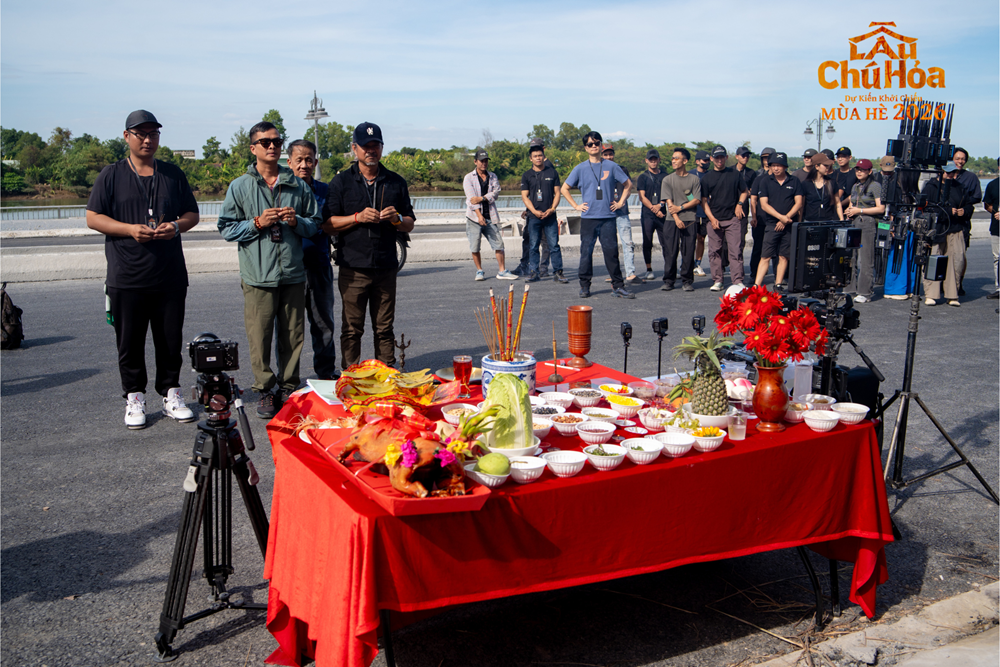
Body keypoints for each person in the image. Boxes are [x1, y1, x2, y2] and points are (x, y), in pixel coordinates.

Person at [86, 109, 199, 430]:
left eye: (153, 134)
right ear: (127, 137)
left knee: (169, 340)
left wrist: (175, 227)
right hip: (127, 276)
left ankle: (171, 394)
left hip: (169, 275)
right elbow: (93, 217)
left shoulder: (172, 174)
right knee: (130, 342)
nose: (148, 139)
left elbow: (192, 213)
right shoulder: (111, 175)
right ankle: (134, 396)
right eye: (141, 134)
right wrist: (128, 229)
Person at [218, 121, 320, 418]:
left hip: (291, 271)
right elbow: (225, 228)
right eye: (265, 142)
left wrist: (295, 222)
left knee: (292, 334)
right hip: (258, 275)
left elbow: (315, 225)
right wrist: (256, 224)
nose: (272, 146)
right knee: (259, 336)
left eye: (276, 141)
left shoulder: (298, 185)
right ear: (254, 148)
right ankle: (264, 389)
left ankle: (288, 386)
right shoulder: (240, 186)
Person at [322, 122, 416, 369]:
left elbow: (409, 224)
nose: (370, 151)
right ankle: (351, 377)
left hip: (386, 266)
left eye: (375, 145)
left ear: (382, 148)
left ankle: (386, 376)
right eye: (365, 146)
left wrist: (396, 219)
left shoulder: (396, 182)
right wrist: (357, 217)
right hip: (353, 267)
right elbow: (327, 224)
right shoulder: (341, 182)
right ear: (355, 149)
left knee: (384, 328)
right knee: (352, 329)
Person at [287, 139, 338, 380]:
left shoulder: (326, 191)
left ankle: (326, 374)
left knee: (323, 324)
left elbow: (330, 224)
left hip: (319, 264)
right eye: (299, 160)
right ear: (289, 163)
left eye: (309, 159)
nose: (304, 164)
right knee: (289, 328)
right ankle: (288, 380)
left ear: (316, 162)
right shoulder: (281, 191)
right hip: (290, 267)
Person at [561, 131, 634, 299]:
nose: (594, 146)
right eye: (590, 144)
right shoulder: (580, 168)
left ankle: (618, 286)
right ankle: (584, 286)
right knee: (586, 253)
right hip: (588, 218)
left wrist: (621, 202)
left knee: (612, 253)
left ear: (601, 145)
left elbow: (628, 184)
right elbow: (564, 188)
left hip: (608, 217)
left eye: (596, 143)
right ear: (585, 148)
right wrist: (575, 205)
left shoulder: (611, 166)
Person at [700, 145, 748, 291]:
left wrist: (739, 204)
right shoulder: (707, 178)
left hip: (732, 218)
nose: (719, 160)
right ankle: (718, 280)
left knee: (735, 251)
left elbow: (745, 192)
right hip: (714, 219)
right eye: (717, 157)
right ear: (712, 159)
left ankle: (737, 280)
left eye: (722, 157)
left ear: (726, 157)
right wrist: (711, 218)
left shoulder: (735, 174)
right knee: (714, 251)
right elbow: (703, 201)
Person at [463, 150, 516, 281]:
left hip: (491, 216)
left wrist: (481, 198)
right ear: (475, 162)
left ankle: (502, 271)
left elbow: (496, 192)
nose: (484, 163)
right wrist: (479, 215)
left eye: (486, 161)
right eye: (481, 161)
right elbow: (471, 200)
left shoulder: (492, 176)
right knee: (475, 246)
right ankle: (479, 270)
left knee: (499, 244)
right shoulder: (468, 178)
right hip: (474, 218)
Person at [520, 139, 568, 283]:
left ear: (543, 156)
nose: (538, 158)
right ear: (531, 158)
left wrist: (552, 209)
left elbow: (558, 193)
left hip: (550, 216)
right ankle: (534, 272)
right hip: (534, 217)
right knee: (533, 246)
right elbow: (524, 196)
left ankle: (558, 272)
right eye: (535, 156)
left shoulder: (552, 172)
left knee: (554, 245)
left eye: (540, 155)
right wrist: (533, 211)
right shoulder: (527, 175)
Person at [921, 162, 968, 307]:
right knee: (934, 260)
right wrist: (948, 212)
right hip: (937, 228)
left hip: (955, 228)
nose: (950, 175)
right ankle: (931, 294)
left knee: (956, 261)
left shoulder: (959, 187)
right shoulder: (931, 186)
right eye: (947, 172)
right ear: (941, 171)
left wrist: (964, 211)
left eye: (953, 172)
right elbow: (927, 208)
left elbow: (968, 204)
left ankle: (952, 294)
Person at [753, 152, 803, 289]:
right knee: (765, 256)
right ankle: (757, 285)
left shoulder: (794, 181)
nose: (776, 168)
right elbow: (763, 204)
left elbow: (798, 203)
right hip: (771, 224)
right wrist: (780, 218)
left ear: (785, 166)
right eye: (773, 165)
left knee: (783, 256)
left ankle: (778, 283)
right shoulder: (765, 181)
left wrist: (786, 219)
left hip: (788, 225)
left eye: (779, 165)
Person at [660, 147, 702, 292]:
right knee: (671, 252)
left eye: (676, 158)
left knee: (688, 251)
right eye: (672, 158)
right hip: (672, 220)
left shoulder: (694, 179)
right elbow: (669, 203)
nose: (673, 161)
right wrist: (677, 217)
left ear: (685, 161)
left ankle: (687, 280)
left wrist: (681, 208)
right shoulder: (667, 180)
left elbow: (696, 200)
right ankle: (669, 280)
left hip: (690, 219)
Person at [844, 159, 885, 303]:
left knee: (866, 258)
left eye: (862, 169)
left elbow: (881, 208)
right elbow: (851, 204)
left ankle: (865, 292)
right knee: (852, 256)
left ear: (869, 171)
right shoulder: (855, 186)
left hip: (867, 222)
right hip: (855, 221)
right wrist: (849, 210)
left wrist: (860, 210)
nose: (859, 172)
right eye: (857, 169)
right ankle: (850, 288)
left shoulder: (875, 186)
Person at [602, 143, 641, 283]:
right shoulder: (598, 170)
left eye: (610, 154)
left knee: (627, 243)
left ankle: (630, 272)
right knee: (610, 246)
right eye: (605, 154)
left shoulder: (622, 169)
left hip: (622, 212)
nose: (608, 157)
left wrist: (621, 202)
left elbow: (629, 187)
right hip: (606, 214)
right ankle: (614, 275)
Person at [951, 147, 983, 295]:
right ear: (952, 159)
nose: (960, 161)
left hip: (962, 220)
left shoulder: (971, 177)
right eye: (957, 158)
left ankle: (959, 283)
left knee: (961, 254)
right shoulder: (945, 174)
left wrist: (962, 203)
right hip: (945, 221)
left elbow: (977, 197)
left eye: (962, 159)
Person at [637, 148, 667, 281]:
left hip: (663, 213)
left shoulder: (665, 176)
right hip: (648, 215)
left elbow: (669, 194)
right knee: (647, 242)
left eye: (655, 159)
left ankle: (669, 268)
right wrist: (654, 209)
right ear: (646, 161)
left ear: (659, 160)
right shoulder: (642, 177)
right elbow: (642, 197)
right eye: (651, 159)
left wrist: (660, 205)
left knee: (666, 242)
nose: (653, 161)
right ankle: (649, 269)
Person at [749, 147, 775, 279]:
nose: (767, 160)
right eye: (764, 158)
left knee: (777, 251)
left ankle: (779, 277)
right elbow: (753, 200)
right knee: (758, 248)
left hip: (776, 220)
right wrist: (753, 217)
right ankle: (754, 274)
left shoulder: (782, 178)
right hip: (760, 218)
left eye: (769, 157)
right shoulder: (759, 178)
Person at [801, 153, 844, 222]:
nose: (828, 168)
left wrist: (842, 220)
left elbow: (837, 203)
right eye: (825, 165)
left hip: (828, 222)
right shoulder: (806, 184)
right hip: (809, 222)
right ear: (817, 167)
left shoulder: (832, 182)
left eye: (828, 165)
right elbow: (802, 205)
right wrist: (800, 222)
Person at [734, 146, 756, 258]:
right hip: (730, 206)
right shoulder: (730, 171)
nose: (745, 158)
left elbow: (753, 191)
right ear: (737, 156)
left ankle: (739, 259)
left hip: (744, 207)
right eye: (743, 155)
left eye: (747, 156)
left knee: (742, 235)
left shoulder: (751, 173)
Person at [692, 150, 711, 276]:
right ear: (697, 161)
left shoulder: (711, 175)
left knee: (701, 238)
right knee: (689, 239)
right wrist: (693, 201)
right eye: (704, 160)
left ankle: (697, 263)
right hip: (692, 211)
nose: (707, 163)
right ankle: (686, 263)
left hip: (705, 211)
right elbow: (686, 192)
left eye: (708, 160)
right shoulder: (691, 174)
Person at [985, 163, 999, 300]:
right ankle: (999, 288)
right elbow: (987, 204)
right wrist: (995, 212)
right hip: (996, 227)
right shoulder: (993, 185)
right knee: (997, 259)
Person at [833, 147, 857, 212]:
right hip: (835, 208)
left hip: (851, 208)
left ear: (850, 157)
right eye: (838, 157)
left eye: (843, 157)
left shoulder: (855, 174)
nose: (840, 159)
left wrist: (840, 204)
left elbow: (856, 193)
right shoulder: (834, 173)